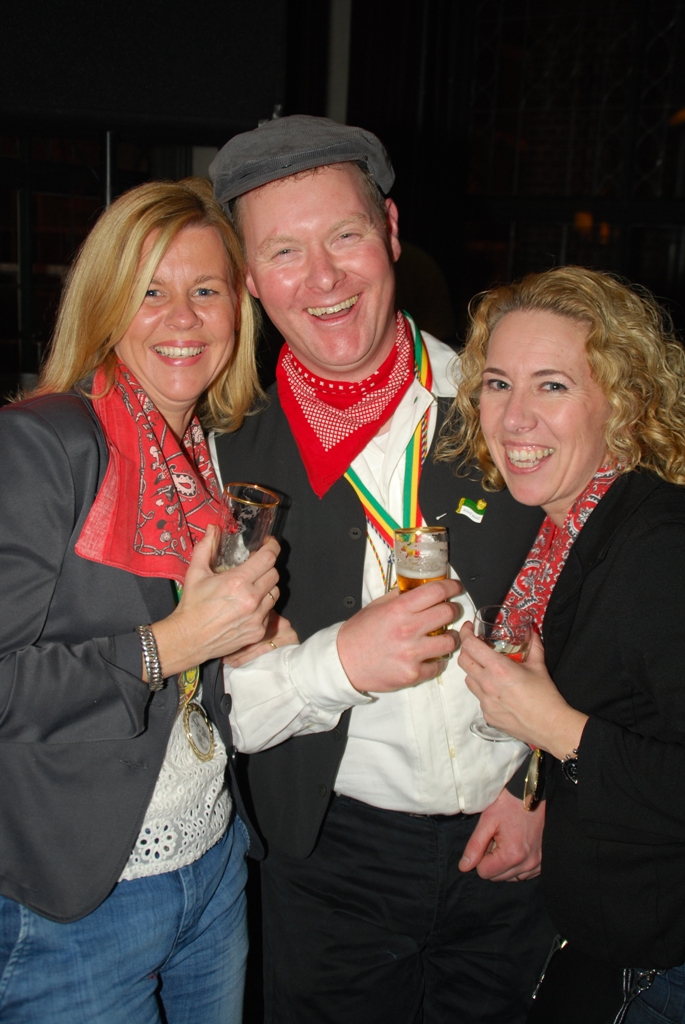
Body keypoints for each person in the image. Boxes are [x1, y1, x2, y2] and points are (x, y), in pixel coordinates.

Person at [210, 114, 554, 1024]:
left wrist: (541, 788)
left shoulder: (508, 408)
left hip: (514, 849)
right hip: (331, 859)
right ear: (249, 278)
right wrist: (341, 664)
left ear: (391, 231)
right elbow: (215, 702)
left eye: (345, 235)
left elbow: (594, 615)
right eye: (283, 252)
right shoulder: (222, 457)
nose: (322, 278)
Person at [0, 177, 295, 1024]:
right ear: (106, 305)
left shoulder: (203, 451)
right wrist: (169, 645)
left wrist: (248, 639)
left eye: (205, 291)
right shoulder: (44, 442)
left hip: (211, 859)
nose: (182, 319)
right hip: (79, 901)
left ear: (237, 309)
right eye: (150, 293)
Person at [447, 265, 685, 1024]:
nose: (515, 417)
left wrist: (556, 730)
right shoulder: (567, 526)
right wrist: (535, 788)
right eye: (497, 384)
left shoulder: (659, 548)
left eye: (551, 386)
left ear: (623, 400)